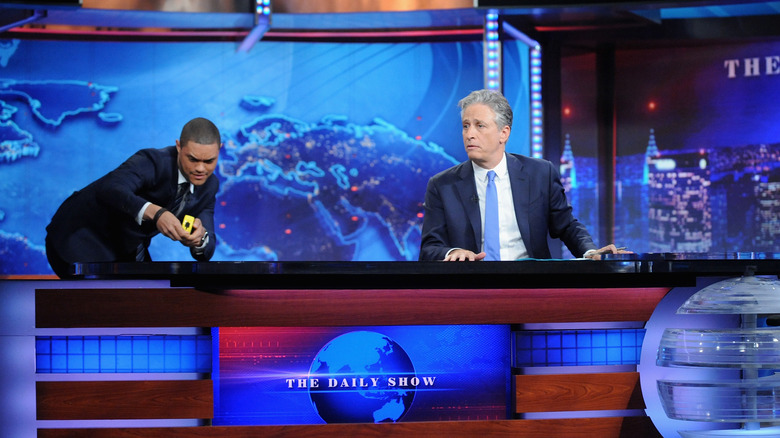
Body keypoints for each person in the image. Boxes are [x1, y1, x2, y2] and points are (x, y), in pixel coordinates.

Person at [419, 89, 626, 262]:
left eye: (479, 125)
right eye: (466, 126)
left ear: (504, 133)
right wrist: (453, 252)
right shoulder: (442, 185)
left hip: (529, 285)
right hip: (471, 289)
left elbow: (567, 226)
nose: (469, 134)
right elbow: (429, 248)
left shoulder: (540, 174)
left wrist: (590, 252)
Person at [45, 117, 221, 277]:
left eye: (209, 161)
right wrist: (156, 213)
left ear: (219, 151)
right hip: (80, 238)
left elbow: (208, 245)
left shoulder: (209, 186)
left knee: (151, 299)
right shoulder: (152, 161)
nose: (200, 169)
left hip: (128, 246)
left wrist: (200, 239)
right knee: (106, 305)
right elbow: (111, 188)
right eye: (193, 159)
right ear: (178, 147)